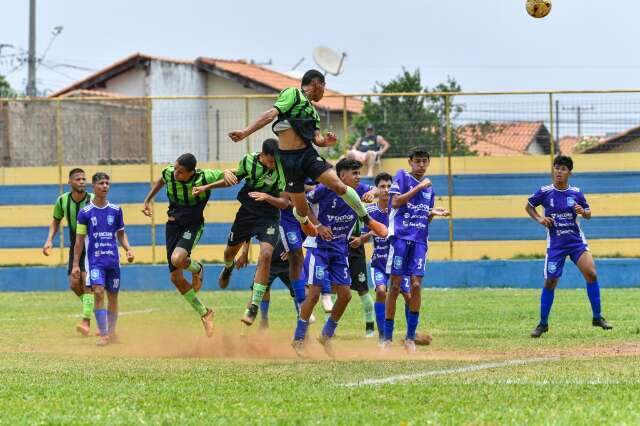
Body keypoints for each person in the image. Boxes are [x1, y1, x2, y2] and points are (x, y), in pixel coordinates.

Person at [228, 69, 387, 240]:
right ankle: (304, 221)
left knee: (338, 186)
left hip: (308, 155)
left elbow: (317, 139)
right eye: (324, 88)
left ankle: (367, 219)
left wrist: (326, 142)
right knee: (301, 209)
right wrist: (245, 132)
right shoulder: (293, 94)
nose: (324, 92)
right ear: (317, 83)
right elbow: (270, 114)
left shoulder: (313, 113)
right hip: (288, 161)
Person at [195, 139, 287, 326]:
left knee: (267, 254)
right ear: (262, 155)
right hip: (247, 212)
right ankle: (228, 267)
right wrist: (207, 187)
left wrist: (267, 197)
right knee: (229, 253)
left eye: (275, 161)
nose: (273, 165)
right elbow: (232, 179)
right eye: (270, 161)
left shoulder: (283, 166)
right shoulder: (249, 161)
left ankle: (253, 305)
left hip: (269, 214)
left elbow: (285, 203)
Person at [142, 153, 233, 337]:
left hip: (192, 225)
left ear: (191, 172)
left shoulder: (203, 177)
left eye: (181, 172)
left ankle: (196, 268)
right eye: (175, 168)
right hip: (172, 226)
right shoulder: (170, 173)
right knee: (175, 279)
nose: (176, 174)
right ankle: (205, 313)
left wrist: (223, 173)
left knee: (177, 259)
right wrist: (148, 199)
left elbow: (229, 174)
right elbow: (162, 178)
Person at [292, 159, 375, 357]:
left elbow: (381, 190)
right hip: (318, 248)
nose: (358, 177)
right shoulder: (324, 189)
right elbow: (302, 205)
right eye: (354, 173)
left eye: (359, 173)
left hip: (340, 250)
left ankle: (326, 336)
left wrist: (374, 192)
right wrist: (318, 226)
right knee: (314, 293)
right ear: (342, 176)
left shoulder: (358, 189)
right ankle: (298, 339)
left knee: (345, 295)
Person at [526, 155, 613, 338]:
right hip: (556, 244)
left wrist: (584, 211)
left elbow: (588, 213)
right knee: (550, 281)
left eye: (563, 169)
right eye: (556, 168)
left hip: (576, 242)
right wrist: (540, 219)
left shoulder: (576, 193)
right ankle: (543, 324)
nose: (559, 171)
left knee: (591, 273)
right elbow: (528, 207)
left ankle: (597, 318)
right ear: (553, 170)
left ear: (569, 173)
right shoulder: (544, 192)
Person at [383, 148, 449, 353]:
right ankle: (386, 338)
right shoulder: (402, 177)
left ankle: (410, 338)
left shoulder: (430, 190)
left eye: (424, 162)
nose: (421, 165)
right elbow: (395, 202)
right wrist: (419, 187)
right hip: (400, 238)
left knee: (417, 286)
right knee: (394, 287)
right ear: (410, 162)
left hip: (420, 241)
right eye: (417, 161)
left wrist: (433, 213)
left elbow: (423, 215)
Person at [71, 173, 134, 346]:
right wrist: (76, 264)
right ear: (94, 186)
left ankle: (112, 333)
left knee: (113, 296)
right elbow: (78, 241)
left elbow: (121, 234)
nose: (105, 186)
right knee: (98, 292)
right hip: (94, 262)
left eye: (107, 183)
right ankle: (104, 334)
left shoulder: (116, 210)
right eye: (101, 183)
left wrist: (128, 249)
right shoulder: (85, 213)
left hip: (113, 261)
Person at [43, 168, 95, 336]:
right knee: (74, 283)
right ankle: (94, 307)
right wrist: (49, 240)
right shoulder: (62, 200)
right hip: (76, 242)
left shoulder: (93, 200)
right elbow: (56, 221)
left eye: (83, 179)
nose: (82, 182)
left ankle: (86, 322)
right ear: (70, 182)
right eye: (78, 179)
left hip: (92, 241)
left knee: (86, 280)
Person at [362, 172, 412, 343]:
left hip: (399, 262)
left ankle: (409, 336)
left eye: (389, 186)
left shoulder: (399, 209)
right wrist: (365, 236)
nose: (386, 190)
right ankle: (383, 337)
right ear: (377, 189)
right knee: (382, 292)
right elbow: (362, 236)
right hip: (380, 263)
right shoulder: (369, 211)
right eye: (382, 186)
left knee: (409, 296)